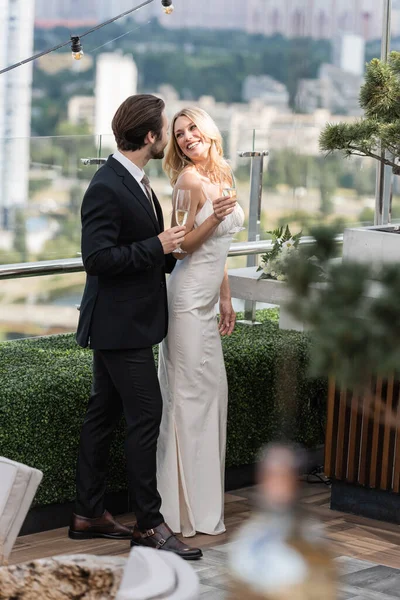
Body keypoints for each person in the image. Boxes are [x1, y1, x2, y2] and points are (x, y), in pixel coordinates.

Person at [69, 94, 202, 560]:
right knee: (146, 416)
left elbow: (144, 250)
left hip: (124, 323)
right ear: (150, 136)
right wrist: (156, 245)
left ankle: (88, 513)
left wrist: (169, 250)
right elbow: (97, 258)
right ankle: (149, 523)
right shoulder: (107, 185)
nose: (167, 135)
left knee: (102, 416)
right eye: (163, 128)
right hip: (119, 326)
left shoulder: (138, 182)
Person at [157, 107, 245, 537]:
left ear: (208, 130)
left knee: (211, 396)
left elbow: (220, 250)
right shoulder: (187, 181)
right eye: (179, 134)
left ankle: (206, 502)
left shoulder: (223, 176)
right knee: (188, 400)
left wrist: (226, 298)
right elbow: (178, 248)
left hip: (208, 303)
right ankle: (179, 512)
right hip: (187, 302)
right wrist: (213, 215)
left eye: (192, 128)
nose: (187, 137)